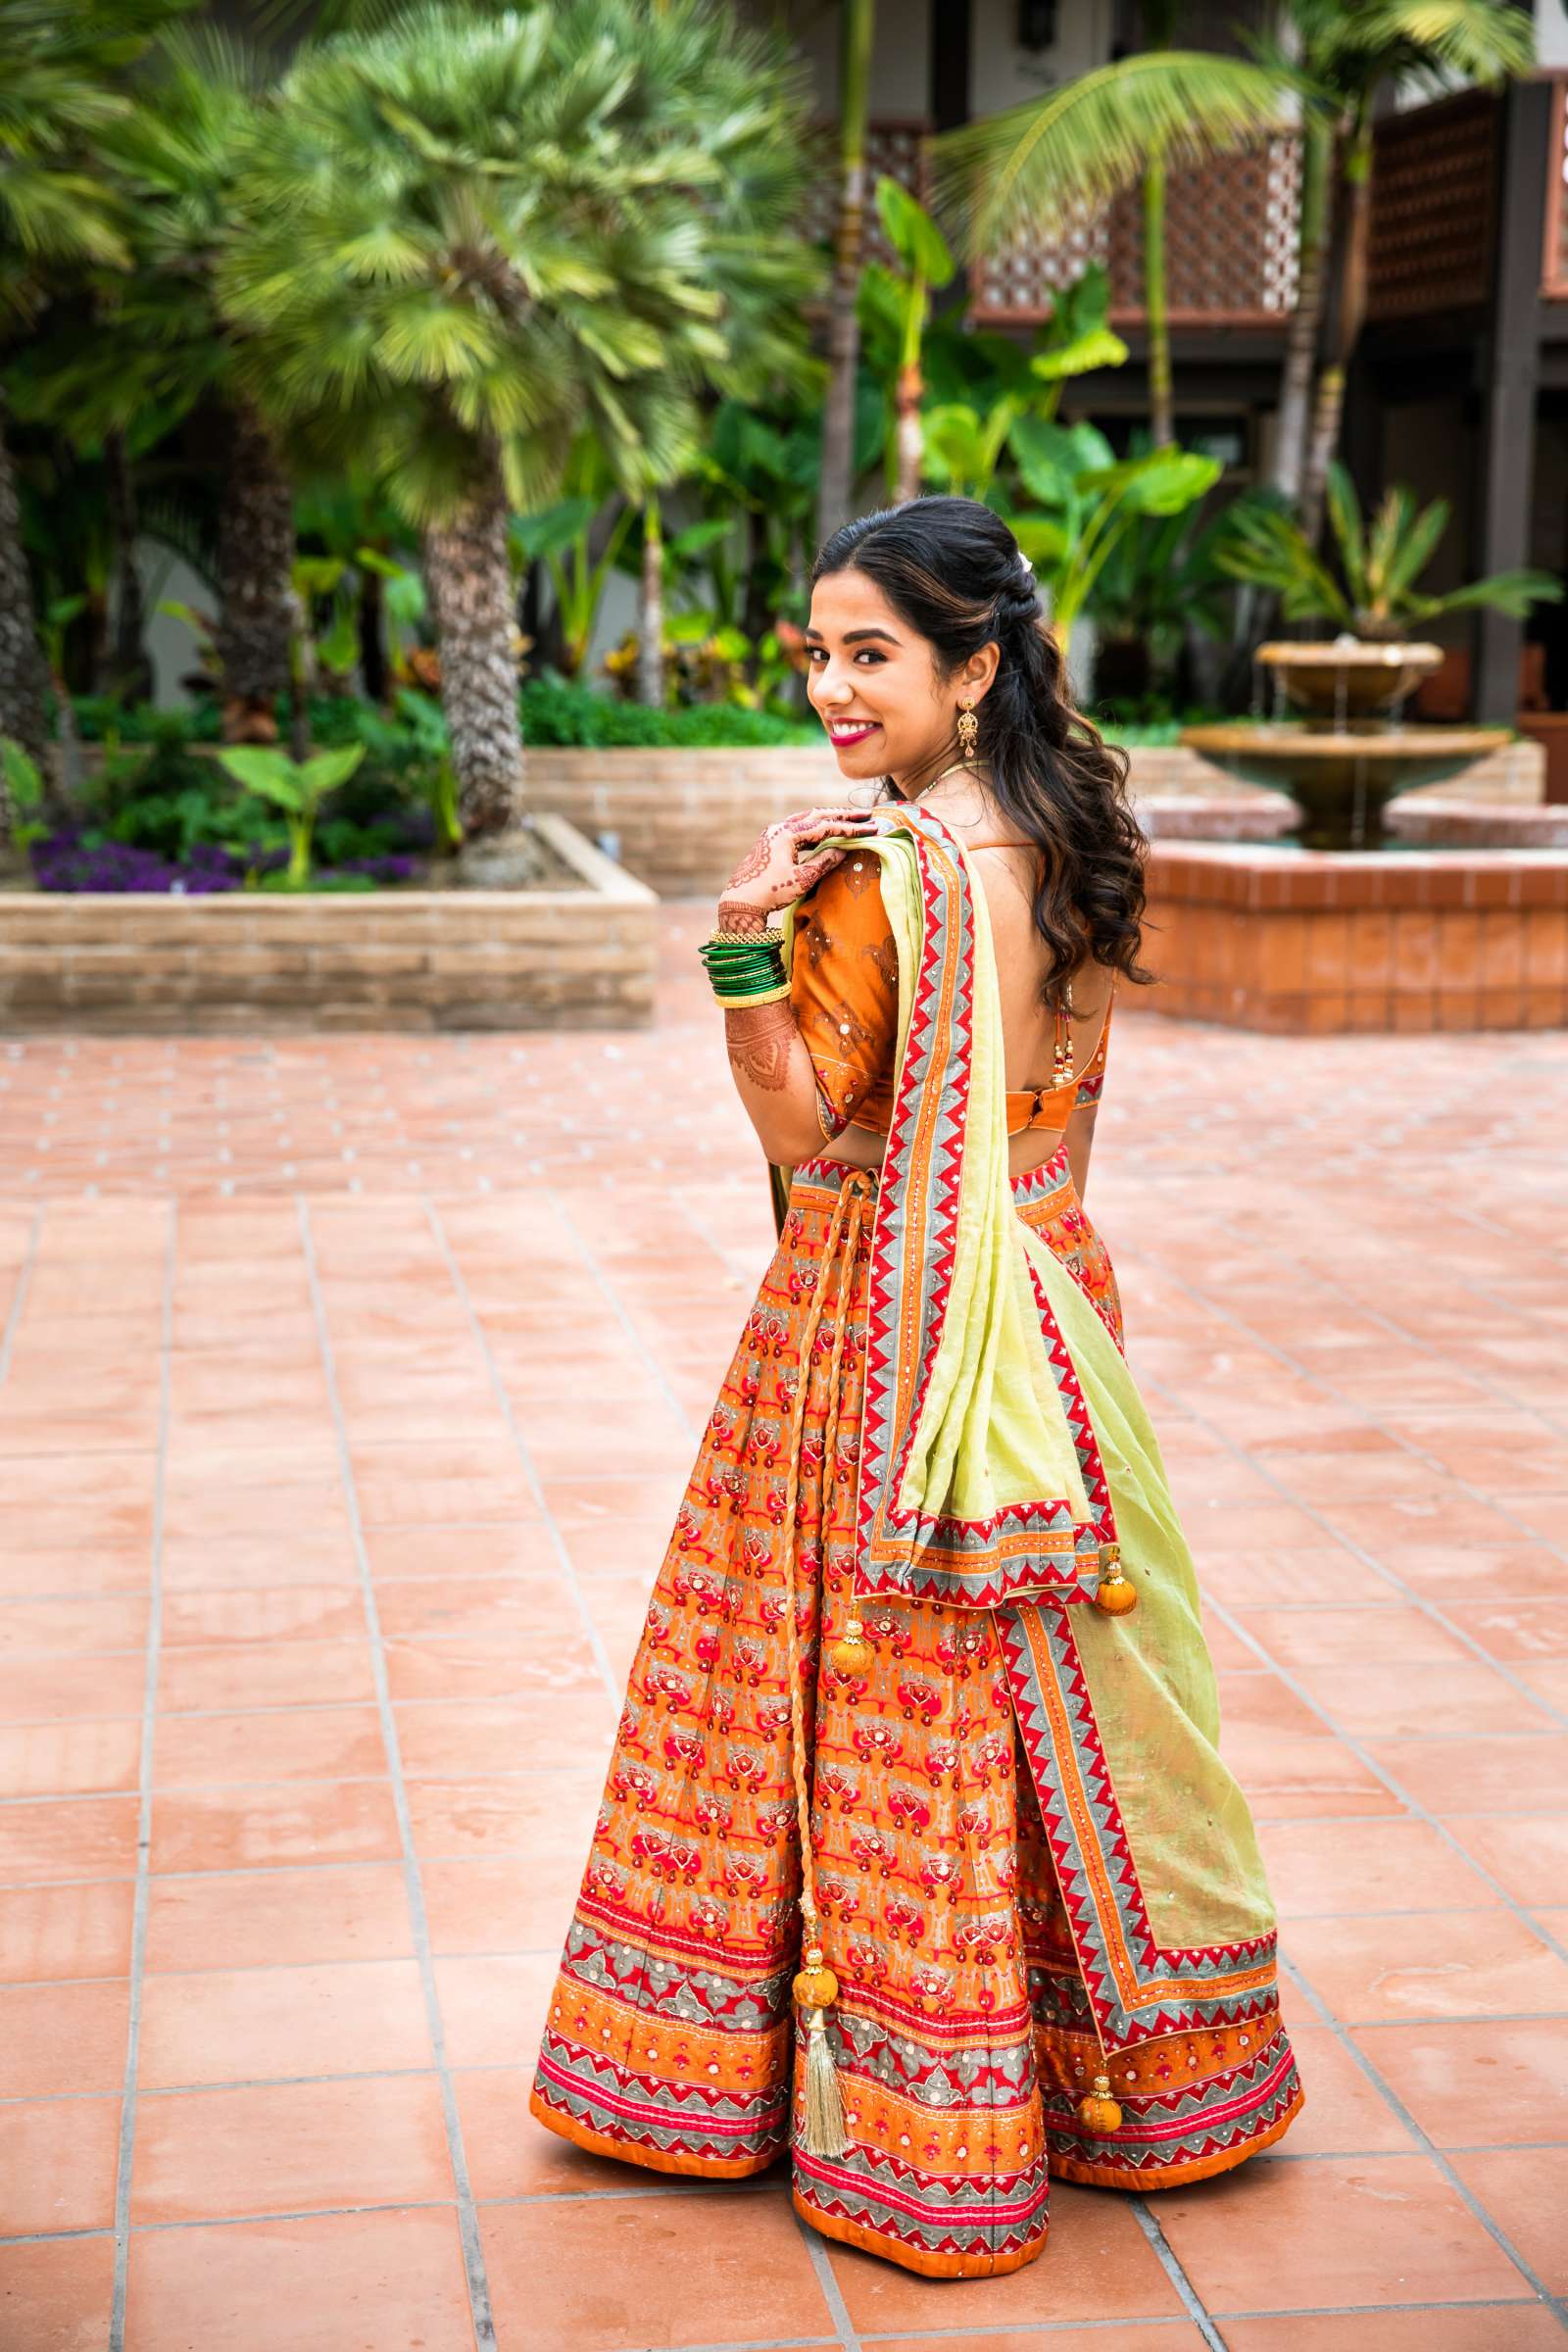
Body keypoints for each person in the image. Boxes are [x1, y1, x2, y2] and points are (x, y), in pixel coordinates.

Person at [529, 494, 1303, 2279]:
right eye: (818, 650)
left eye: (869, 651)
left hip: (873, 1323)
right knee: (1052, 1686)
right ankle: (1128, 2079)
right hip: (1046, 1295)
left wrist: (739, 944)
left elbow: (807, 1132)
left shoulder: (880, 882)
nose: (828, 685)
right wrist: (1029, 1286)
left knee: (850, 1695)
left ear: (975, 665)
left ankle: (897, 2121)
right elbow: (1073, 1129)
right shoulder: (1081, 840)